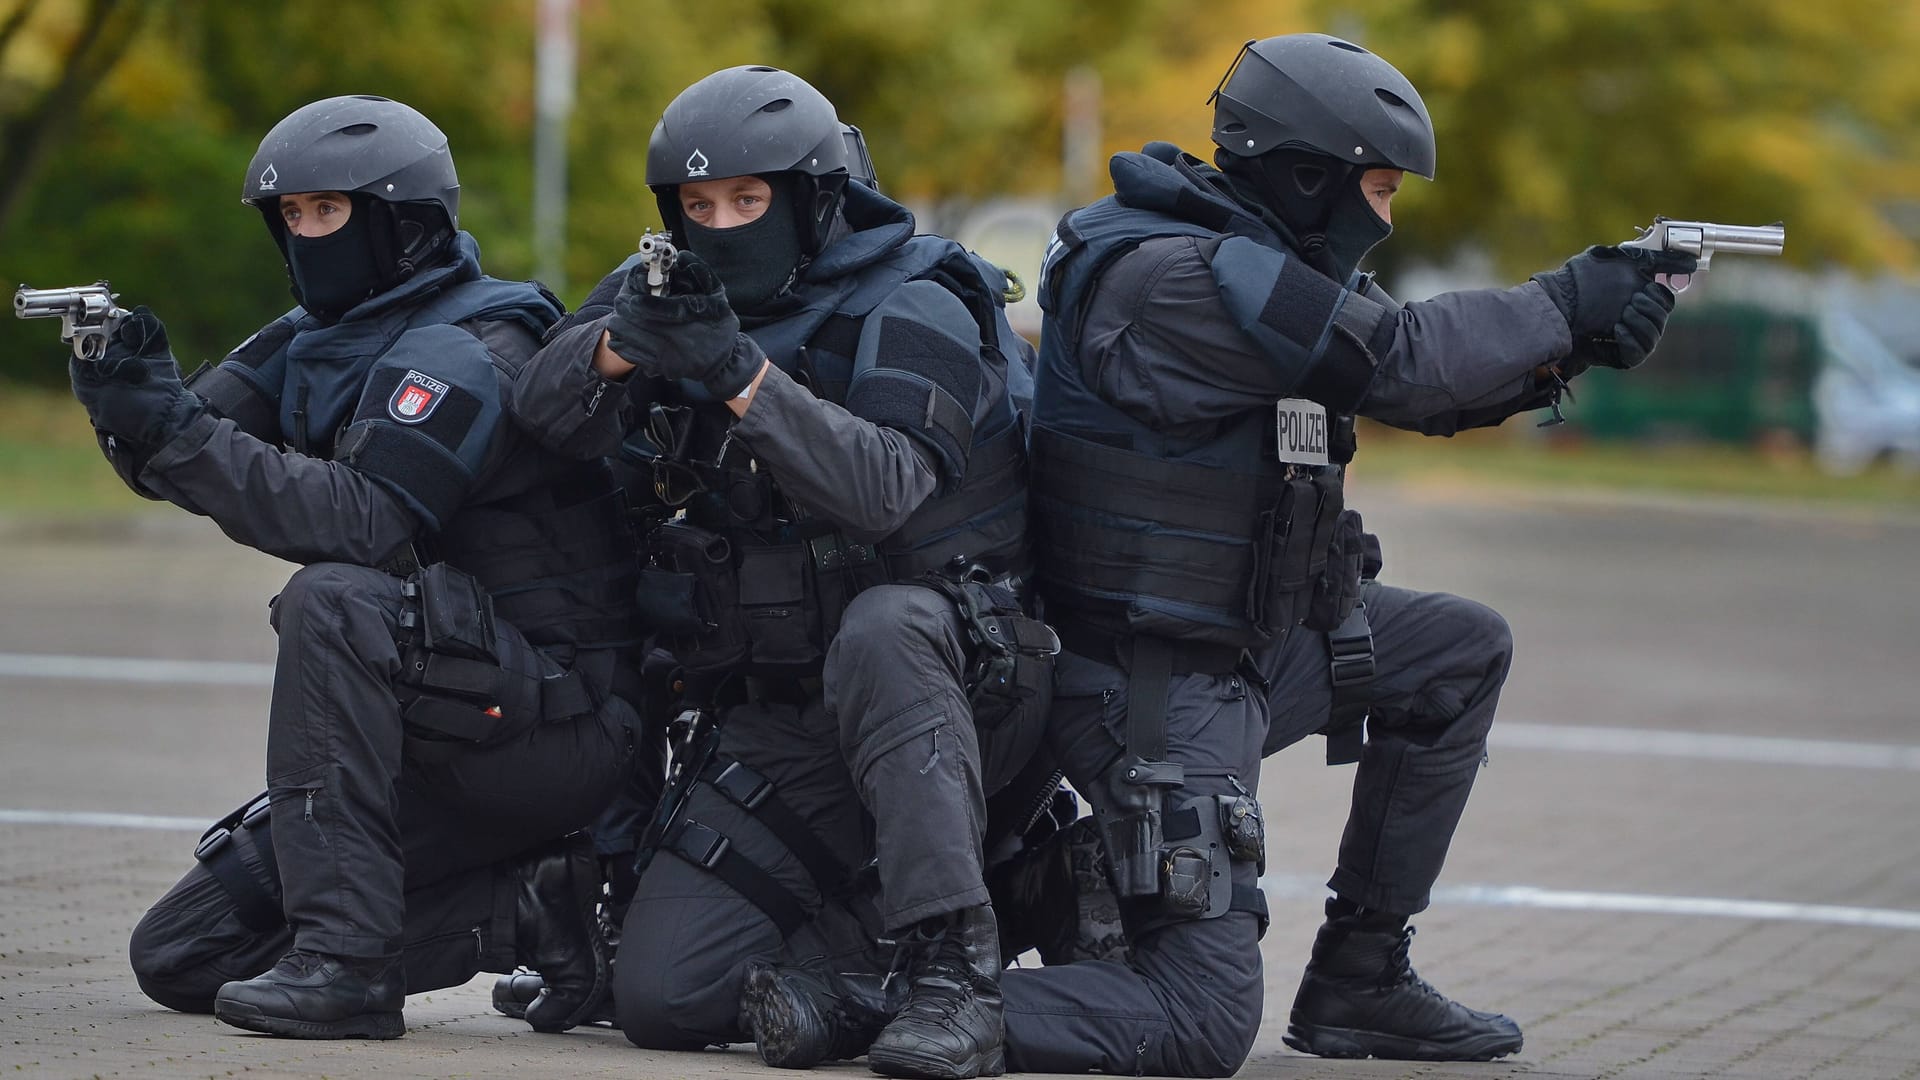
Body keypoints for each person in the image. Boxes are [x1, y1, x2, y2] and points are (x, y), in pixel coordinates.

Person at [749, 32, 1693, 1077]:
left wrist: (1576, 345)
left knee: (1459, 652)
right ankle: (883, 995)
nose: (1385, 216)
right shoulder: (1168, 278)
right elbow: (1401, 361)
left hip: (1251, 650)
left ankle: (1360, 979)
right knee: (1200, 1021)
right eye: (1376, 188)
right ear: (1306, 176)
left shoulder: (1259, 260)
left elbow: (1415, 390)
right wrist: (1564, 300)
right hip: (1146, 690)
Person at [506, 66, 1053, 1079]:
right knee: (665, 999)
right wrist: (623, 348)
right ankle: (912, 945)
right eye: (698, 206)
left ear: (812, 200)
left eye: (749, 202)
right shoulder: (672, 290)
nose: (722, 225)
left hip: (958, 686)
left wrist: (738, 376)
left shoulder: (918, 294)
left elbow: (887, 486)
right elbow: (540, 413)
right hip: (785, 709)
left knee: (886, 623)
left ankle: (958, 974)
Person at [75, 95, 648, 1040]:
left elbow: (366, 523)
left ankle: (344, 967)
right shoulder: (315, 333)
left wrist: (175, 433)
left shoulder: (473, 344)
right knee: (181, 956)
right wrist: (127, 404)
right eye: (290, 216)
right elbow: (187, 458)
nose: (306, 236)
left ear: (404, 223)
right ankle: (536, 908)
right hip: (429, 717)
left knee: (334, 598)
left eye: (327, 213)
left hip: (552, 725)